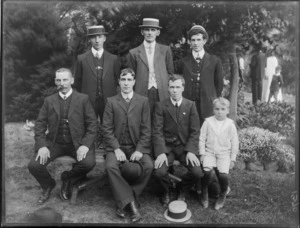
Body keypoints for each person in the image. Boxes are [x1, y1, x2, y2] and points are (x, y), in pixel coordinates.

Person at [28, 68, 97, 204]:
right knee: (34, 166)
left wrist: (84, 145)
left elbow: (92, 125)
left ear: (71, 80)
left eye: (65, 80)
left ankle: (67, 178)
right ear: (55, 81)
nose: (62, 83)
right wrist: (42, 145)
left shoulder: (83, 99)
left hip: (76, 143)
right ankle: (48, 185)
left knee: (88, 163)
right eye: (59, 80)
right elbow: (40, 125)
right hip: (55, 143)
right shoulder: (49, 100)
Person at [103, 68, 153, 223]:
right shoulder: (111, 101)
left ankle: (126, 197)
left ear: (134, 82)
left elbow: (146, 129)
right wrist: (116, 148)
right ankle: (130, 203)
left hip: (136, 146)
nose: (126, 83)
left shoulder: (143, 101)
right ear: (119, 81)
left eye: (129, 80)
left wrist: (139, 150)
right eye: (123, 79)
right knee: (111, 166)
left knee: (149, 166)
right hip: (116, 146)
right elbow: (106, 128)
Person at [152, 74, 203, 207]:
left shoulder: (190, 105)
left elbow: (195, 131)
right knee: (159, 172)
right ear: (168, 88)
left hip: (184, 148)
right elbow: (157, 131)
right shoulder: (160, 106)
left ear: (183, 88)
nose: (175, 90)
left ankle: (182, 187)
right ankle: (166, 190)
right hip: (167, 148)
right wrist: (161, 152)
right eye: (172, 87)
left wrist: (191, 150)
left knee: (197, 172)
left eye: (177, 87)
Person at [74, 25, 121, 147]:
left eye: (99, 36)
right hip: (89, 99)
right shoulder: (81, 58)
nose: (97, 40)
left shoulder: (113, 58)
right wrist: (82, 98)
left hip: (108, 99)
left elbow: (117, 80)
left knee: (110, 124)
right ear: (89, 39)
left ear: (104, 38)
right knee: (89, 125)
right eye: (93, 37)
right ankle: (89, 147)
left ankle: (110, 147)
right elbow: (78, 82)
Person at [175, 25, 223, 127]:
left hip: (207, 105)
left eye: (198, 40)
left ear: (204, 41)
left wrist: (212, 99)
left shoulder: (214, 61)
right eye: (193, 40)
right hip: (187, 105)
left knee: (207, 133)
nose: (196, 43)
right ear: (189, 42)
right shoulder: (182, 62)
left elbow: (219, 84)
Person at [127, 18, 174, 113]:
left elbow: (170, 73)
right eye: (147, 29)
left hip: (161, 92)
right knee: (144, 120)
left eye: (153, 30)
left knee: (161, 120)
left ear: (158, 32)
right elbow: (131, 76)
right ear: (142, 32)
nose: (149, 33)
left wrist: (167, 89)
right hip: (142, 92)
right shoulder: (134, 53)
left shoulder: (165, 50)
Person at [199, 97, 239, 210]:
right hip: (209, 152)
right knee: (206, 172)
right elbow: (202, 138)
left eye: (222, 109)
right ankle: (204, 193)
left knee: (223, 175)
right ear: (213, 110)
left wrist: (232, 158)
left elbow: (235, 142)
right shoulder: (208, 122)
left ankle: (222, 194)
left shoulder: (230, 124)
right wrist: (202, 153)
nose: (220, 112)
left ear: (227, 110)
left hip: (224, 154)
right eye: (217, 109)